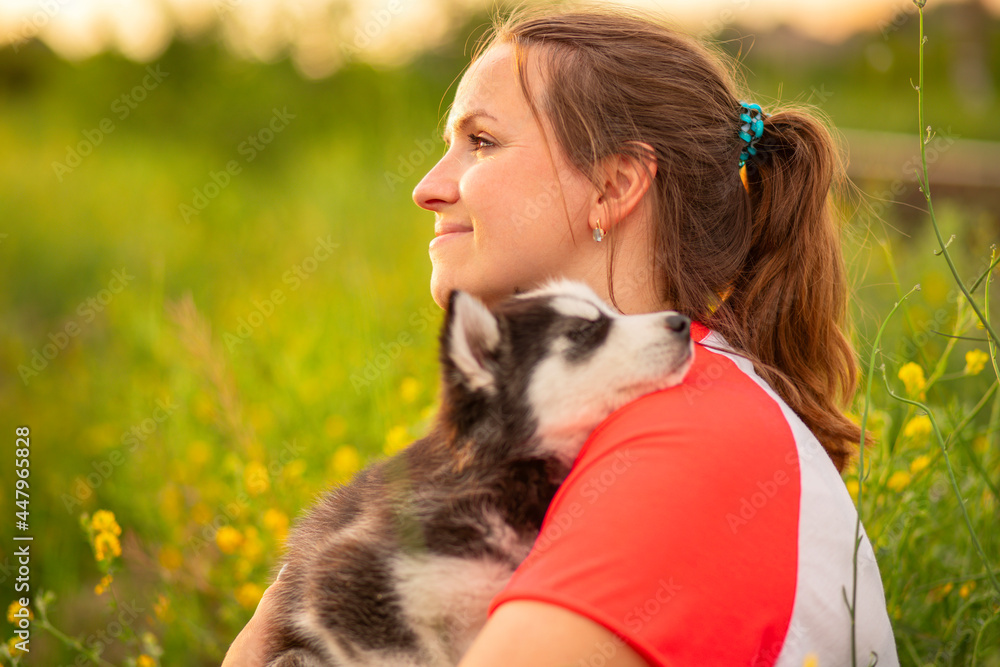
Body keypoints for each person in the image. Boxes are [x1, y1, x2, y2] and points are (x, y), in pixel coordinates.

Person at [224, 7, 899, 666]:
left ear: (614, 185)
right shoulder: (620, 415)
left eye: (481, 142)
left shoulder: (692, 440)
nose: (427, 188)